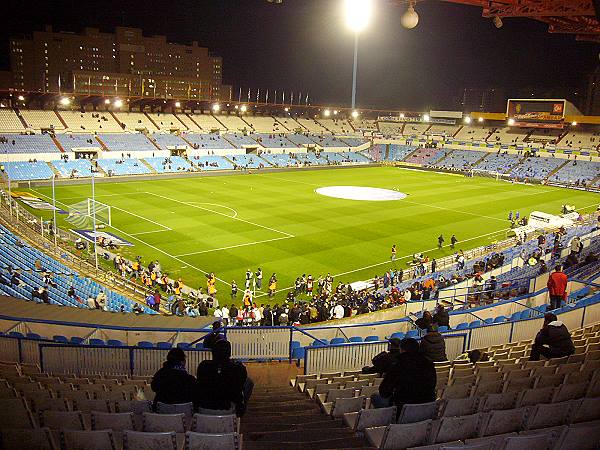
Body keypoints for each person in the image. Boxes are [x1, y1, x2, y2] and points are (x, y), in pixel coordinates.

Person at [374, 338, 436, 415]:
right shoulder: (429, 364)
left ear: (402, 350)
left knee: (376, 396)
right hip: (427, 405)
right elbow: (433, 385)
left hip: (404, 406)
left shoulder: (397, 366)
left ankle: (388, 419)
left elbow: (384, 392)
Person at [196, 339, 250, 417]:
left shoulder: (203, 366)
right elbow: (243, 379)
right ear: (229, 353)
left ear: (213, 352)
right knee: (249, 382)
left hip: (204, 408)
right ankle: (241, 408)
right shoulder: (237, 368)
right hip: (228, 409)